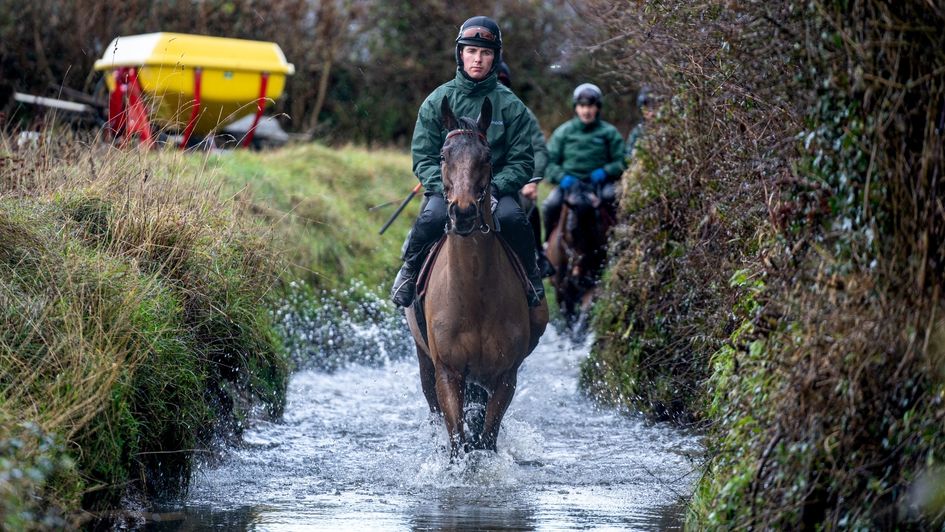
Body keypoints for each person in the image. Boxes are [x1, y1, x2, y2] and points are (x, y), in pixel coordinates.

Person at [390, 15, 545, 308]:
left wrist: (496, 189)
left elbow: (523, 161)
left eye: (485, 53)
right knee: (431, 218)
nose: (478, 59)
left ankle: (532, 277)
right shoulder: (436, 101)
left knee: (515, 219)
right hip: (448, 189)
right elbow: (422, 157)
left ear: (495, 58)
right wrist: (445, 188)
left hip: (495, 189)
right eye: (471, 51)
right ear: (460, 53)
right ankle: (409, 272)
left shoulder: (512, 106)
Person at [542, 83, 626, 242]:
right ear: (576, 107)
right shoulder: (563, 132)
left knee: (612, 197)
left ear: (598, 107)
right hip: (570, 184)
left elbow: (622, 160)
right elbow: (549, 162)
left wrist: (606, 171)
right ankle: (547, 245)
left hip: (599, 184)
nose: (586, 111)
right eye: (582, 106)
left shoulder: (609, 132)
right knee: (551, 204)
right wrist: (561, 178)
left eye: (591, 106)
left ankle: (616, 244)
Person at [496, 61, 554, 278]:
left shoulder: (522, 112)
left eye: (503, 82)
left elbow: (538, 149)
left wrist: (532, 180)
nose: (498, 85)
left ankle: (536, 257)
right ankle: (413, 259)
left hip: (514, 182)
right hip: (473, 182)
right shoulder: (468, 105)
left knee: (530, 207)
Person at [625, 87, 654, 160]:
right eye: (646, 106)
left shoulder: (669, 128)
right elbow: (627, 157)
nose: (650, 111)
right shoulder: (637, 131)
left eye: (653, 106)